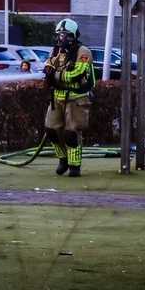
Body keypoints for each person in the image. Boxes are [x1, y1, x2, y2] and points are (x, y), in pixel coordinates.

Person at [42, 19, 95, 178]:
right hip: (57, 97)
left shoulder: (83, 52)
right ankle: (62, 159)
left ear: (73, 36)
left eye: (65, 34)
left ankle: (74, 166)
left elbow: (76, 74)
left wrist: (54, 75)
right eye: (59, 34)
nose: (61, 37)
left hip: (76, 98)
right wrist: (49, 73)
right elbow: (48, 66)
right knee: (51, 130)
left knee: (72, 132)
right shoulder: (55, 51)